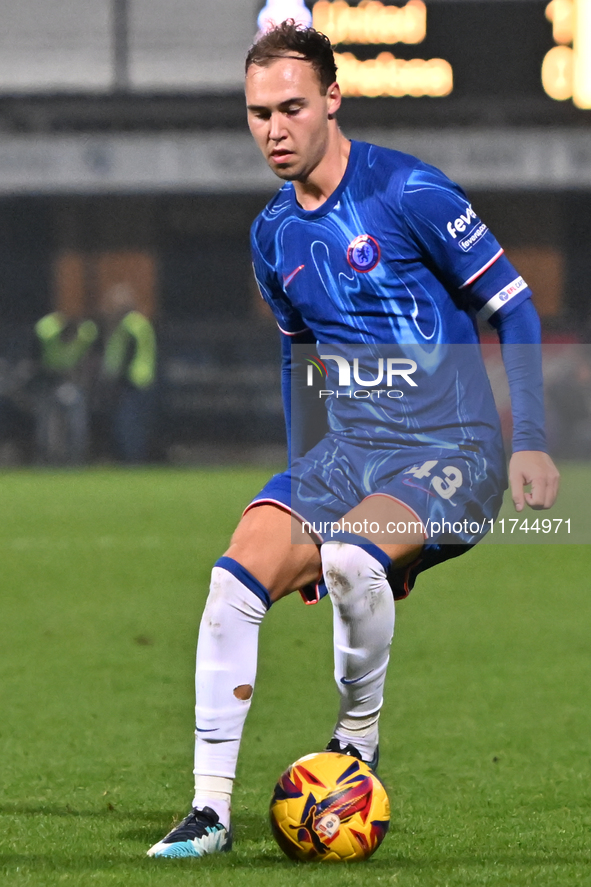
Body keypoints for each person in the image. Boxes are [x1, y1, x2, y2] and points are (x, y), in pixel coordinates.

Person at [148, 22, 559, 858]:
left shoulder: (408, 191)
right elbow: (297, 355)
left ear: (333, 98)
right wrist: (305, 471)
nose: (274, 130)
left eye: (292, 107)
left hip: (453, 451)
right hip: (352, 456)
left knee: (347, 557)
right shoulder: (272, 236)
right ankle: (209, 813)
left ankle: (355, 746)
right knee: (236, 573)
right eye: (259, 113)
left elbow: (512, 305)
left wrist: (532, 440)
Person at [34, 310, 98, 465]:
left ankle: (75, 457)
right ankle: (49, 457)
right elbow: (41, 329)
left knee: (76, 423)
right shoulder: (49, 336)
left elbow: (88, 358)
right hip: (51, 384)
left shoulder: (84, 336)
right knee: (48, 424)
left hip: (74, 384)